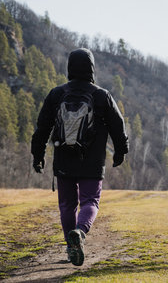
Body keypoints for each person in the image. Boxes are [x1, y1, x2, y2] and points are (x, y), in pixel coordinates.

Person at [31, 48, 129, 266]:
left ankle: (70, 245)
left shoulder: (56, 94)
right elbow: (118, 125)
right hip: (92, 162)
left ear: (69, 68)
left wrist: (37, 155)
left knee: (67, 205)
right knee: (90, 201)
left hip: (64, 160)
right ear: (92, 68)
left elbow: (42, 127)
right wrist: (121, 150)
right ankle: (80, 232)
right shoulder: (101, 95)